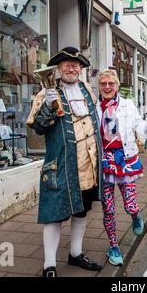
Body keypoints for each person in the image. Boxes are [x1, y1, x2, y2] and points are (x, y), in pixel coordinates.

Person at [27, 47, 103, 277]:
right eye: (67, 64)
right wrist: (49, 107)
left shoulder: (88, 89)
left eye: (76, 64)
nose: (72, 67)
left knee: (81, 211)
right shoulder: (46, 92)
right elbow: (38, 128)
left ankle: (76, 253)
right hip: (61, 164)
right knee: (55, 214)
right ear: (58, 68)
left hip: (88, 164)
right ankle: (49, 265)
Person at [96, 69, 147, 266]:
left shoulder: (128, 106)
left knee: (129, 204)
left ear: (117, 86)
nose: (107, 87)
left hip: (125, 160)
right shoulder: (94, 108)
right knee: (108, 209)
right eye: (103, 84)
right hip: (104, 163)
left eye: (111, 84)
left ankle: (136, 215)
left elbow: (144, 131)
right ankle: (113, 245)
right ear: (99, 86)